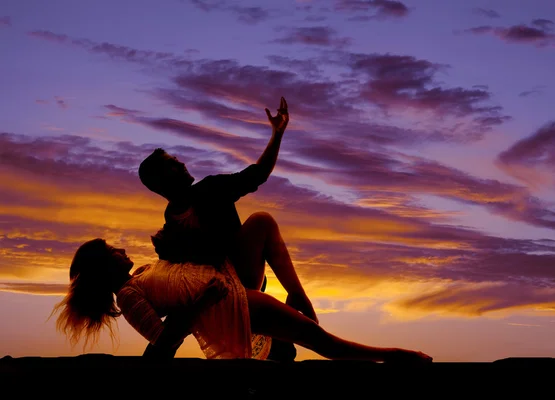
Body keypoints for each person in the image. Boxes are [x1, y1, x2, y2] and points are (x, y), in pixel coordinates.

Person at [52, 238, 433, 364]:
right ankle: (399, 356)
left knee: (262, 223)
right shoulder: (130, 296)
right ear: (104, 266)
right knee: (324, 342)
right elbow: (163, 343)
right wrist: (203, 301)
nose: (120, 248)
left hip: (234, 292)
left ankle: (295, 307)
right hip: (233, 307)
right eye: (111, 250)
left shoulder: (139, 276)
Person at [137, 97, 314, 361]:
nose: (181, 163)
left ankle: (297, 298)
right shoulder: (176, 215)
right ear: (163, 180)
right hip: (214, 288)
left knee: (261, 221)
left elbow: (257, 175)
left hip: (239, 276)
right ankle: (281, 337)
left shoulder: (208, 190)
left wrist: (277, 134)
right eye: (173, 163)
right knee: (260, 222)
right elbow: (183, 267)